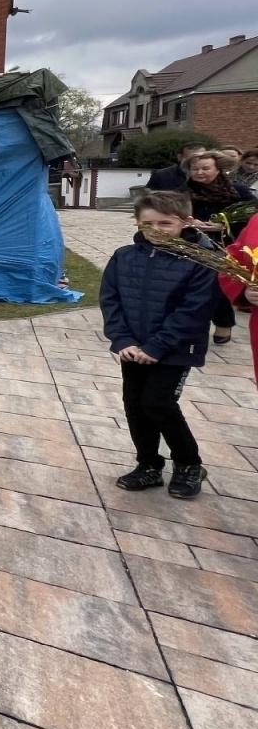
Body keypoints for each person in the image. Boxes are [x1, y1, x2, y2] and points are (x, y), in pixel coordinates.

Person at [103, 190, 221, 500]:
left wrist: (156, 347)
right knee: (135, 405)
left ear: (185, 222)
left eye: (165, 223)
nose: (155, 230)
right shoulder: (124, 256)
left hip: (174, 350)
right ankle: (148, 465)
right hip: (133, 348)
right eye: (147, 223)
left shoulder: (200, 262)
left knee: (157, 403)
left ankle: (188, 463)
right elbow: (111, 300)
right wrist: (123, 340)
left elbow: (193, 312)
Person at [184, 152, 251, 345]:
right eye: (195, 169)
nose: (200, 172)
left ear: (218, 169)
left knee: (217, 284)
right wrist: (189, 222)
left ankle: (223, 322)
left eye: (205, 168)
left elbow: (251, 220)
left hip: (227, 245)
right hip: (191, 242)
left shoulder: (238, 192)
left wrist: (225, 225)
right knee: (191, 286)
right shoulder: (182, 192)